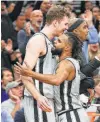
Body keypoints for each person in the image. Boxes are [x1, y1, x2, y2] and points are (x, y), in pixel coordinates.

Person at [15, 33, 89, 122]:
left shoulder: (67, 63)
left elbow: (56, 80)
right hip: (67, 113)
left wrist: (30, 73)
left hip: (71, 114)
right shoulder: (65, 62)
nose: (55, 41)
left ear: (67, 47)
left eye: (59, 41)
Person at [15, 5, 69, 122]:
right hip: (38, 101)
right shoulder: (38, 40)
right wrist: (38, 97)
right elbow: (24, 74)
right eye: (65, 24)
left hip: (48, 99)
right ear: (55, 22)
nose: (66, 28)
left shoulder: (50, 41)